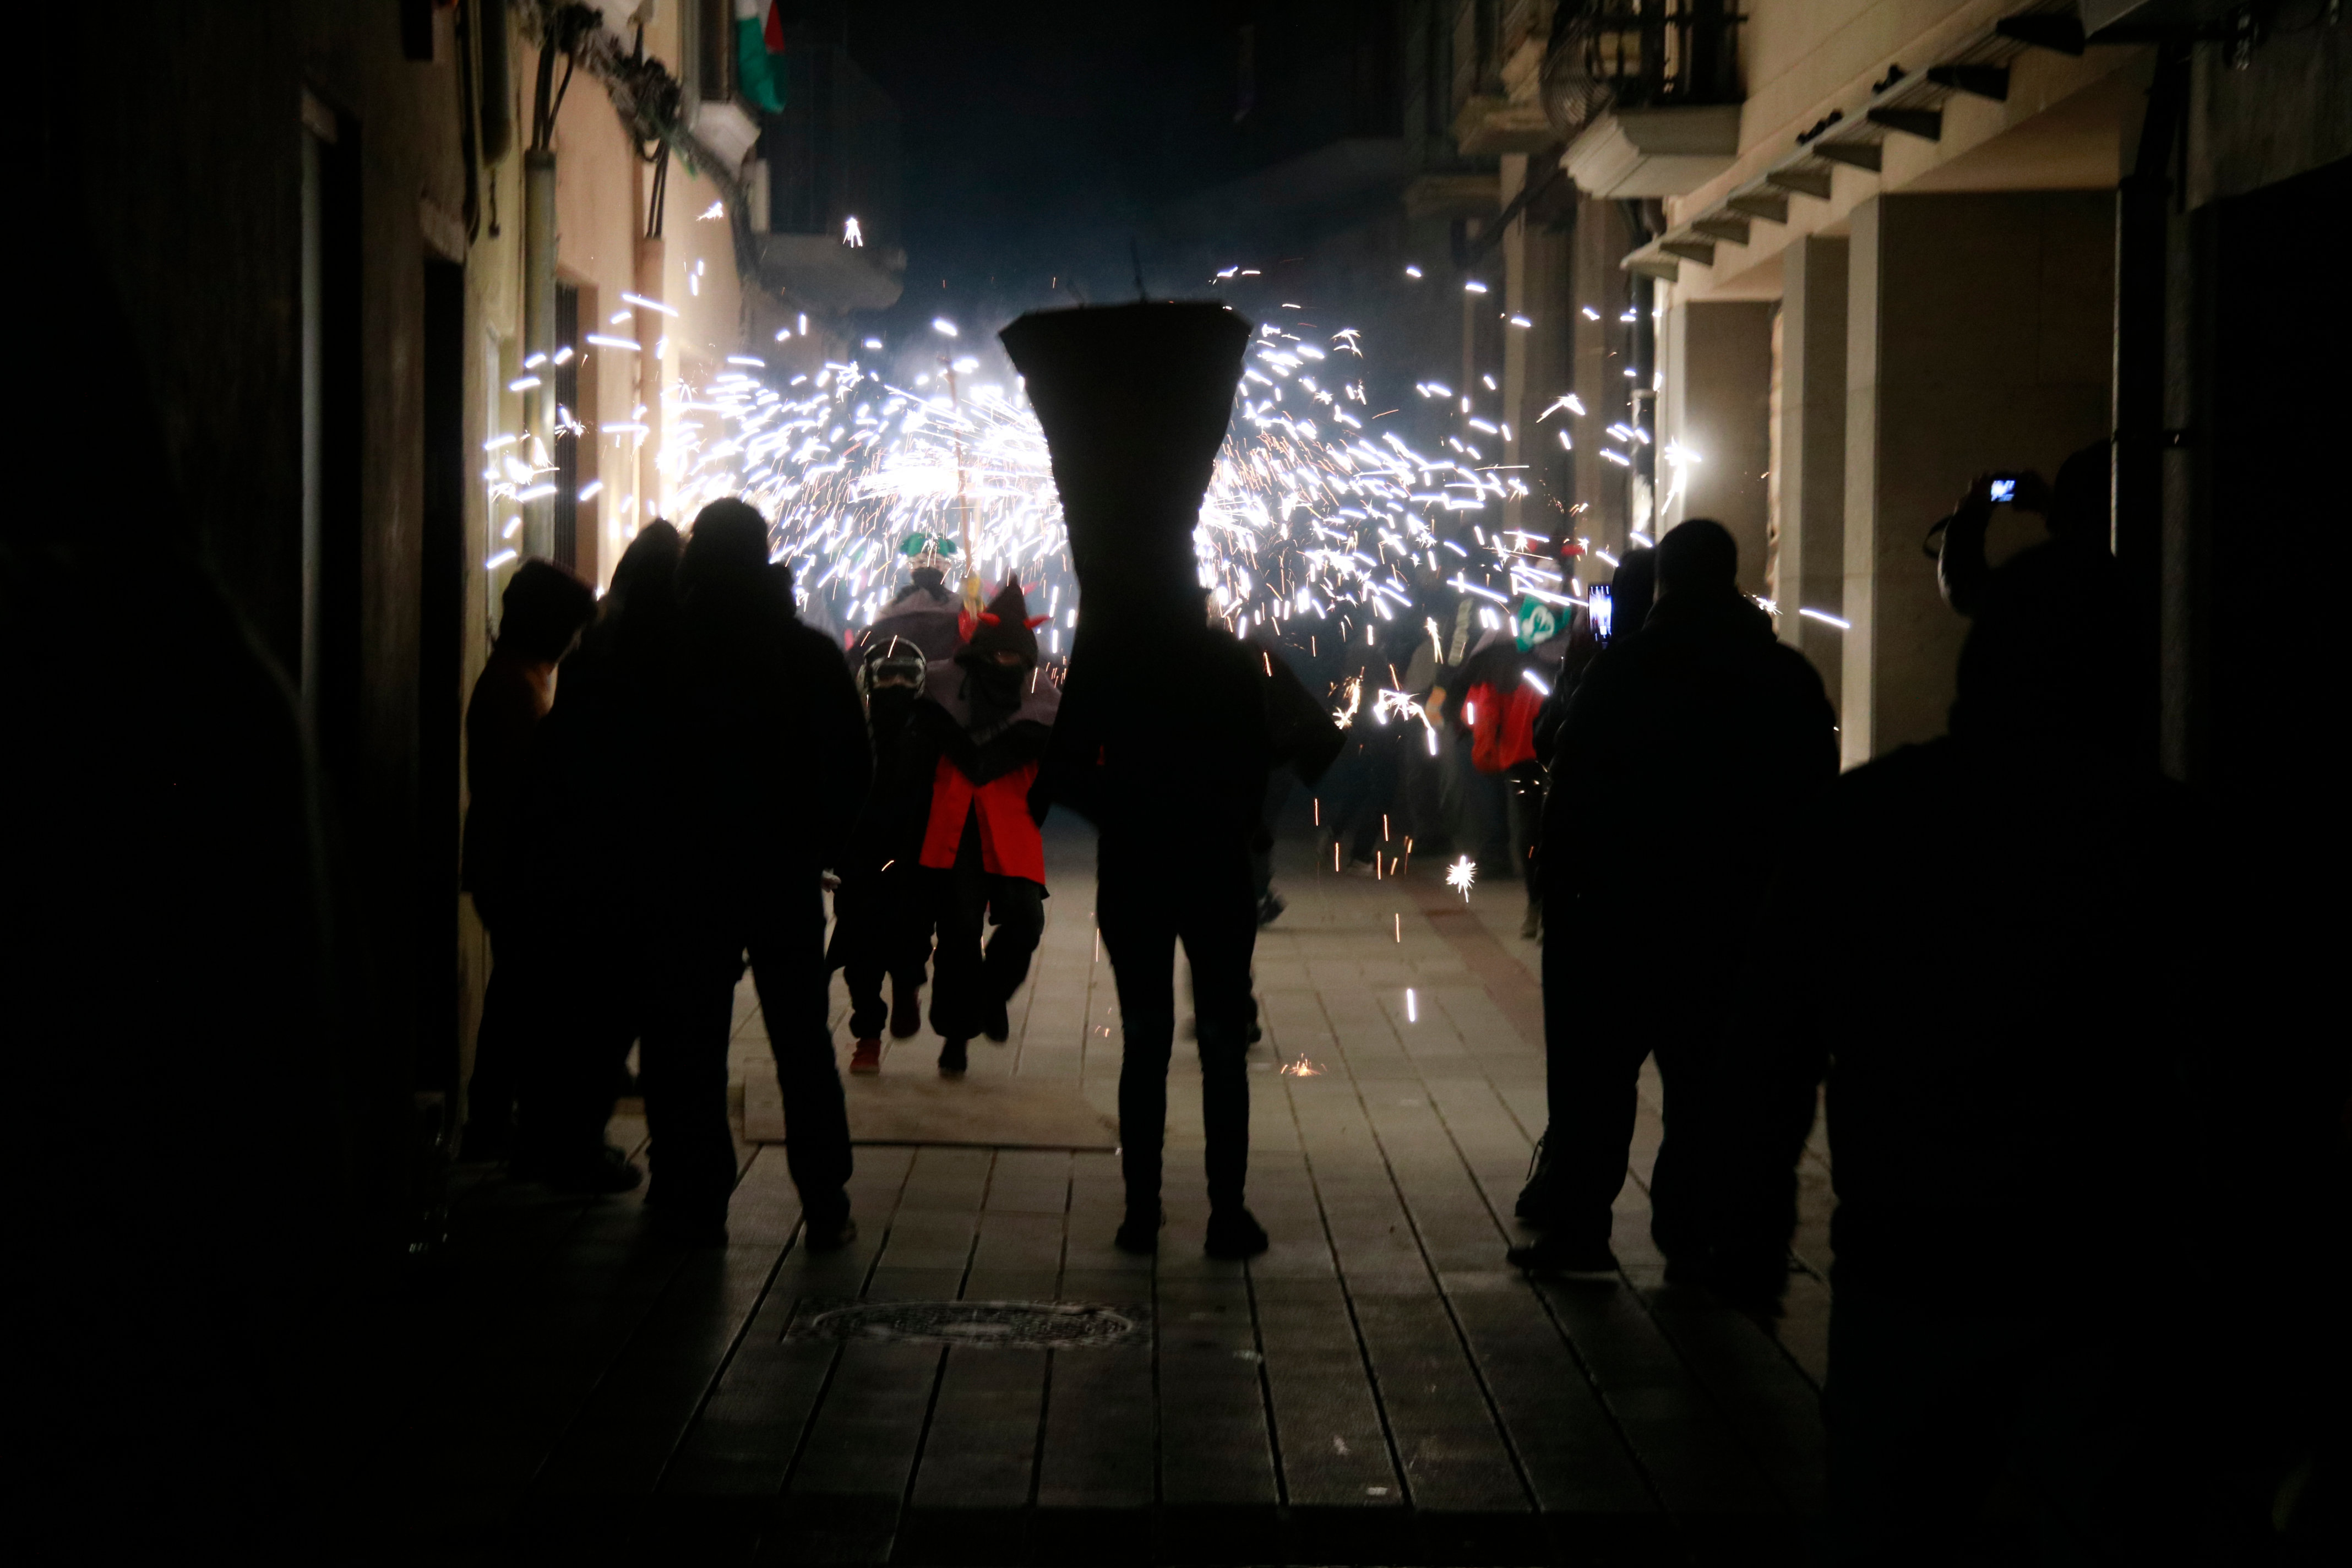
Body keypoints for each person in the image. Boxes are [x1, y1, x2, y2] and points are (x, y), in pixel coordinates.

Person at [1808, 492, 2225, 1559]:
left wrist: (1746, 1200)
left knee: (1894, 1519)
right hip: (2104, 1250)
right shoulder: (2168, 837)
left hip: (1910, 1238)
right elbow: (2249, 1057)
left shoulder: (1878, 813)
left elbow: (1783, 1019)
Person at [1004, 298, 1340, 1261]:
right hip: (1216, 870)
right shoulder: (1234, 662)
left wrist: (1122, 802)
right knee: (1220, 1043)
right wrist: (1241, 811)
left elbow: (1059, 779)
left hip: (1139, 870)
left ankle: (1141, 1211)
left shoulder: (1113, 666)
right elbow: (1306, 751)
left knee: (1146, 1035)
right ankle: (1226, 1212)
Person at [1509, 520, 1836, 1309]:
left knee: (1596, 1078)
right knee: (1705, 1085)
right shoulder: (1784, 675)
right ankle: (1691, 1234)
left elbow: (1566, 763)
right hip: (1731, 916)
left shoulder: (1630, 670)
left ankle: (1582, 1225)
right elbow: (1813, 793)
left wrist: (1560, 890)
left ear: (1665, 586)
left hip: (1619, 915)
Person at [642, 498, 869, 1248]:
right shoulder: (805, 653)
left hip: (688, 870)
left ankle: (693, 1191)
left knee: (689, 1039)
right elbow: (850, 765)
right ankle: (825, 1193)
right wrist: (827, 846)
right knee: (801, 1038)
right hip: (782, 870)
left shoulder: (666, 653)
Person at [502, 524, 682, 1191]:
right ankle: (575, 1146)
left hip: (571, 846)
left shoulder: (598, 643)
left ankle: (549, 1139)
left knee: (571, 1009)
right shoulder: (663, 648)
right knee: (608, 1014)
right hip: (629, 854)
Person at [459, 558, 596, 1163]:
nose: (573, 641)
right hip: (519, 867)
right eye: (569, 626)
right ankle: (502, 1125)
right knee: (524, 1001)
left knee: (516, 998)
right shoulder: (517, 686)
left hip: (510, 863)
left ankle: (496, 1122)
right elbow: (529, 788)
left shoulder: (524, 676)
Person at [892, 575, 1057, 1076]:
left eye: (1015, 659)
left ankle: (990, 998)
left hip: (1010, 824)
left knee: (1025, 923)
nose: (1006, 666)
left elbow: (1056, 763)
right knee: (959, 932)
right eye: (998, 656)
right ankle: (958, 1036)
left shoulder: (1041, 695)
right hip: (954, 820)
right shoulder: (941, 684)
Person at [826, 631, 932, 1073]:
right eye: (886, 677)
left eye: (905, 678)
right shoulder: (847, 729)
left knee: (910, 942)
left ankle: (907, 985)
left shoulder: (929, 731)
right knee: (860, 955)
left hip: (914, 855)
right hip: (860, 857)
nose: (895, 687)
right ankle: (867, 1036)